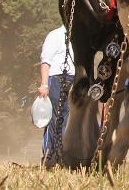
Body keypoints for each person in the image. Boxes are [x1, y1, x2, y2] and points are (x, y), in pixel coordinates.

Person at [39, 24, 75, 165]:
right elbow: (45, 61)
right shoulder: (55, 35)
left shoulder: (78, 37)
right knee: (53, 118)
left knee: (66, 119)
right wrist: (44, 85)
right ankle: (48, 154)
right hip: (56, 79)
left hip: (72, 80)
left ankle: (60, 154)